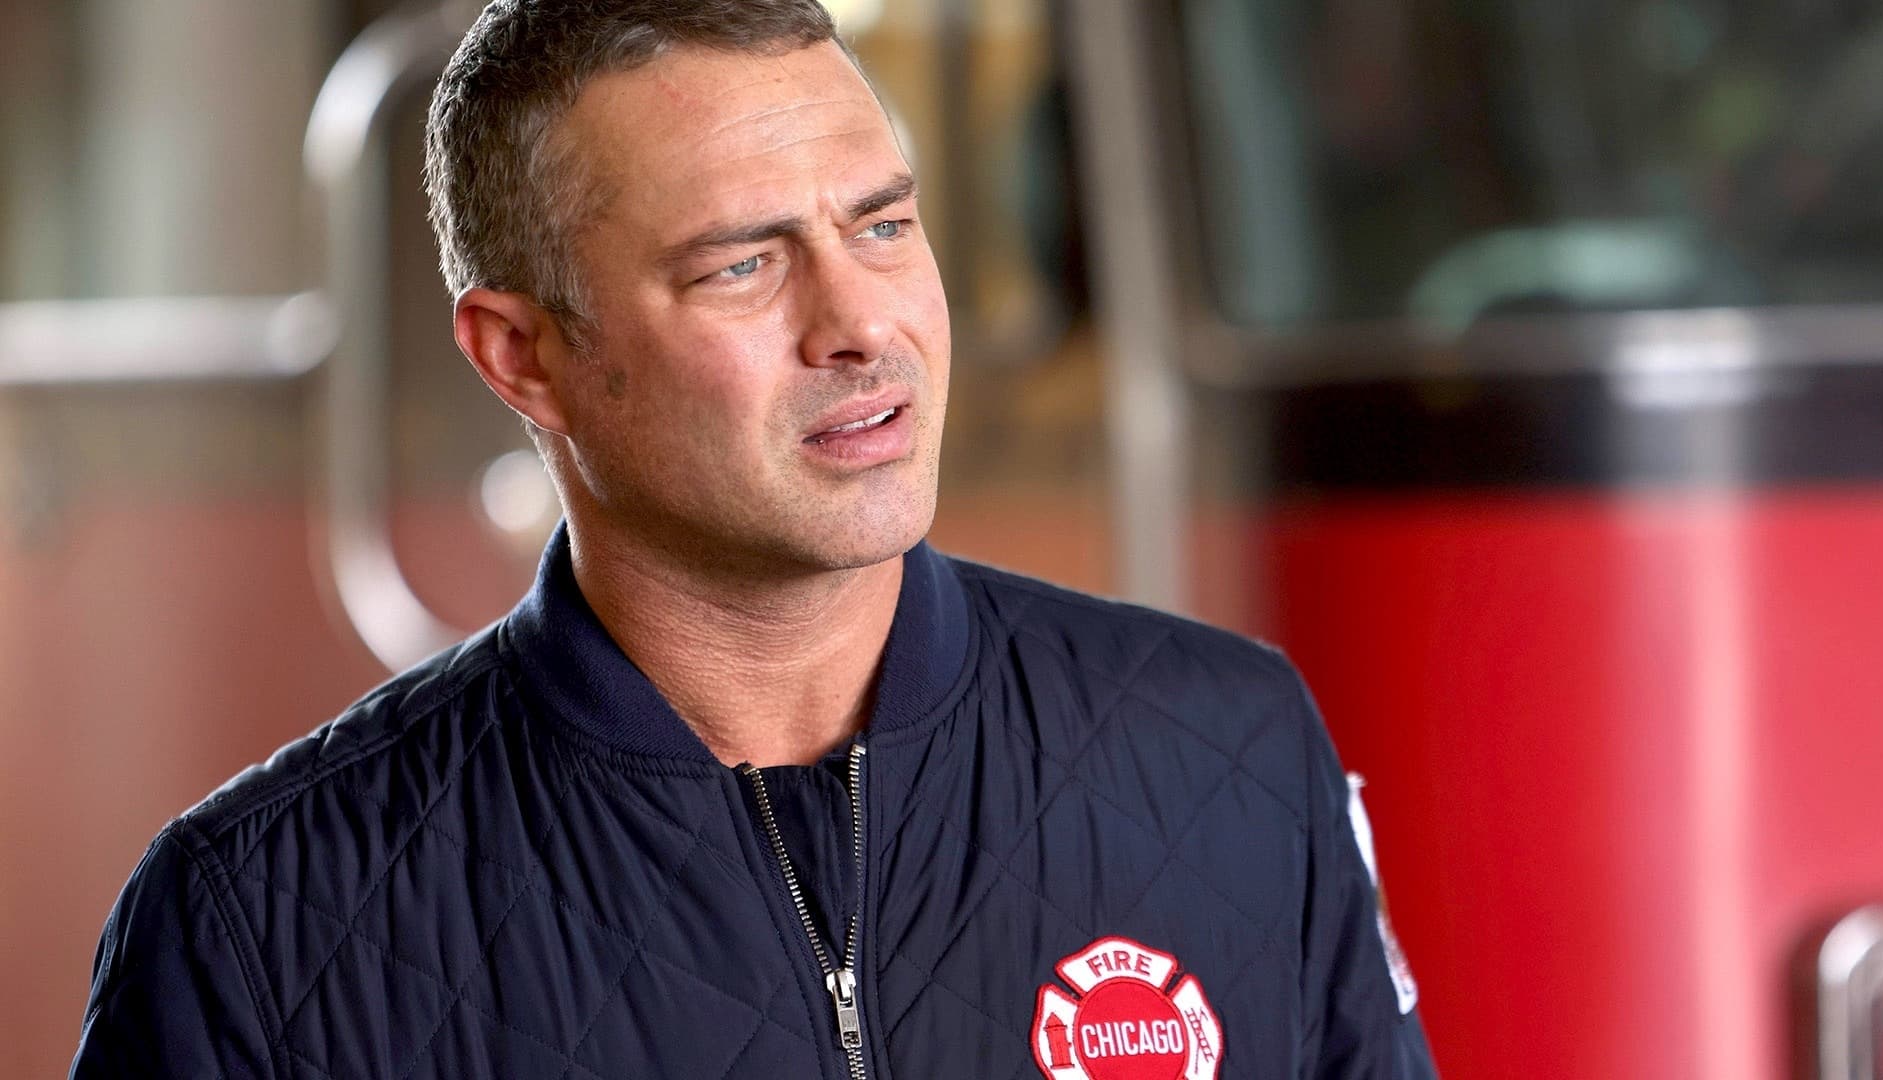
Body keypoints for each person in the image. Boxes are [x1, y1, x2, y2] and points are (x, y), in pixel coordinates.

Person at [71, 2, 1438, 1077]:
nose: (861, 323)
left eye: (883, 225)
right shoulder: (256, 928)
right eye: (744, 263)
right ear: (522, 357)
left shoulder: (1232, 750)